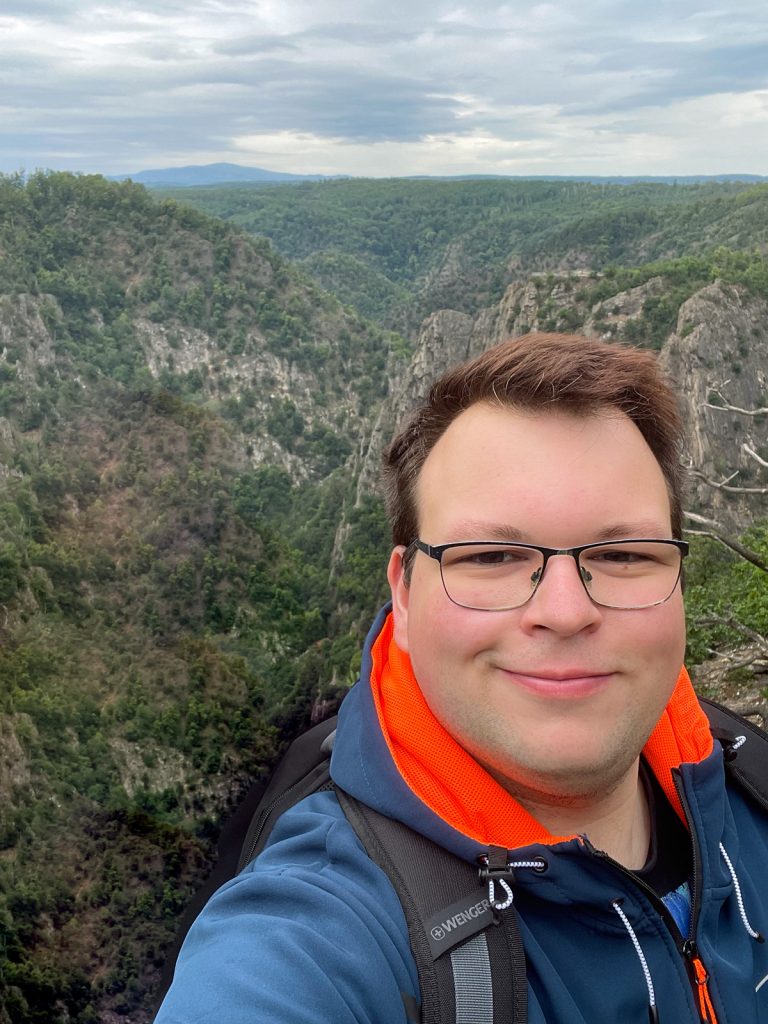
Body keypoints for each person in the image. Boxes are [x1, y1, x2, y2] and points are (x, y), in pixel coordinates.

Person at [155, 332, 768, 1023]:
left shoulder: (748, 786)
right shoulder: (320, 938)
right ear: (406, 597)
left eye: (623, 553)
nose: (564, 611)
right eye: (492, 556)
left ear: (681, 578)